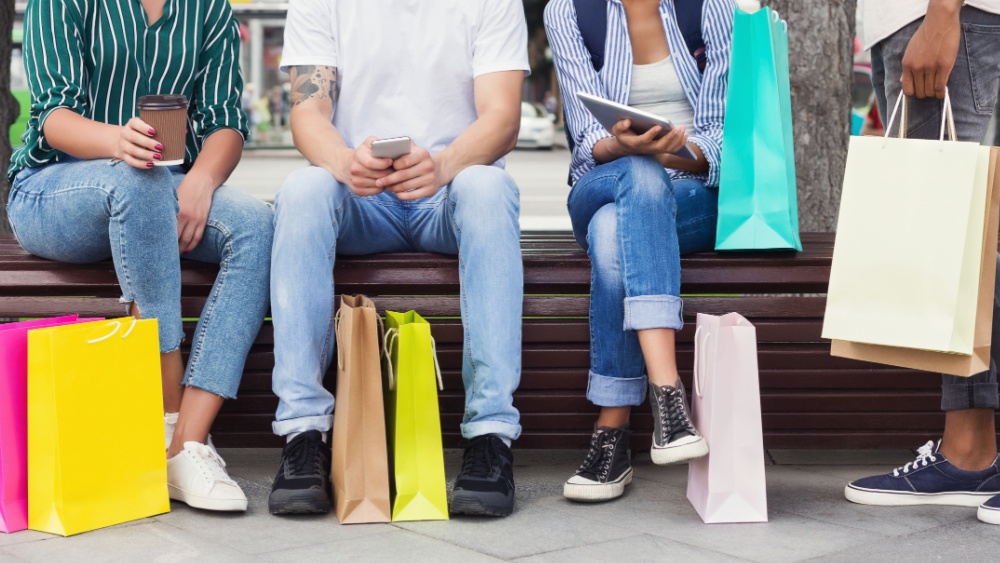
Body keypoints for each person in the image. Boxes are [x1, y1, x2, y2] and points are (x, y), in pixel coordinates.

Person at [5, 0, 273, 512]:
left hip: (162, 186)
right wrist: (118, 141)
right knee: (141, 180)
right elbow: (53, 117)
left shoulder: (209, 10)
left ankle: (188, 445)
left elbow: (225, 121)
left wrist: (201, 179)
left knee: (257, 224)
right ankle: (165, 417)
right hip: (53, 191)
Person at [267, 0, 528, 517]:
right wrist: (345, 161)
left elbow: (503, 117)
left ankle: (491, 436)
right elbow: (307, 111)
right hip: (361, 195)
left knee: (488, 187)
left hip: (449, 191)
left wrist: (443, 165)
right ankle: (303, 433)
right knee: (302, 190)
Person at [545, 0, 734, 502]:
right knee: (638, 174)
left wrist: (669, 151)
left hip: (690, 191)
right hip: (604, 180)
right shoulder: (568, 11)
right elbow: (586, 140)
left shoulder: (711, 7)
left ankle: (612, 432)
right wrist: (627, 148)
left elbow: (720, 136)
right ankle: (668, 399)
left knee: (614, 232)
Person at [845, 0, 1000, 526]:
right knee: (960, 243)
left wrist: (941, 14)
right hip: (912, 22)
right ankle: (969, 453)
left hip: (949, 18)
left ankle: (969, 453)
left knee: (963, 237)